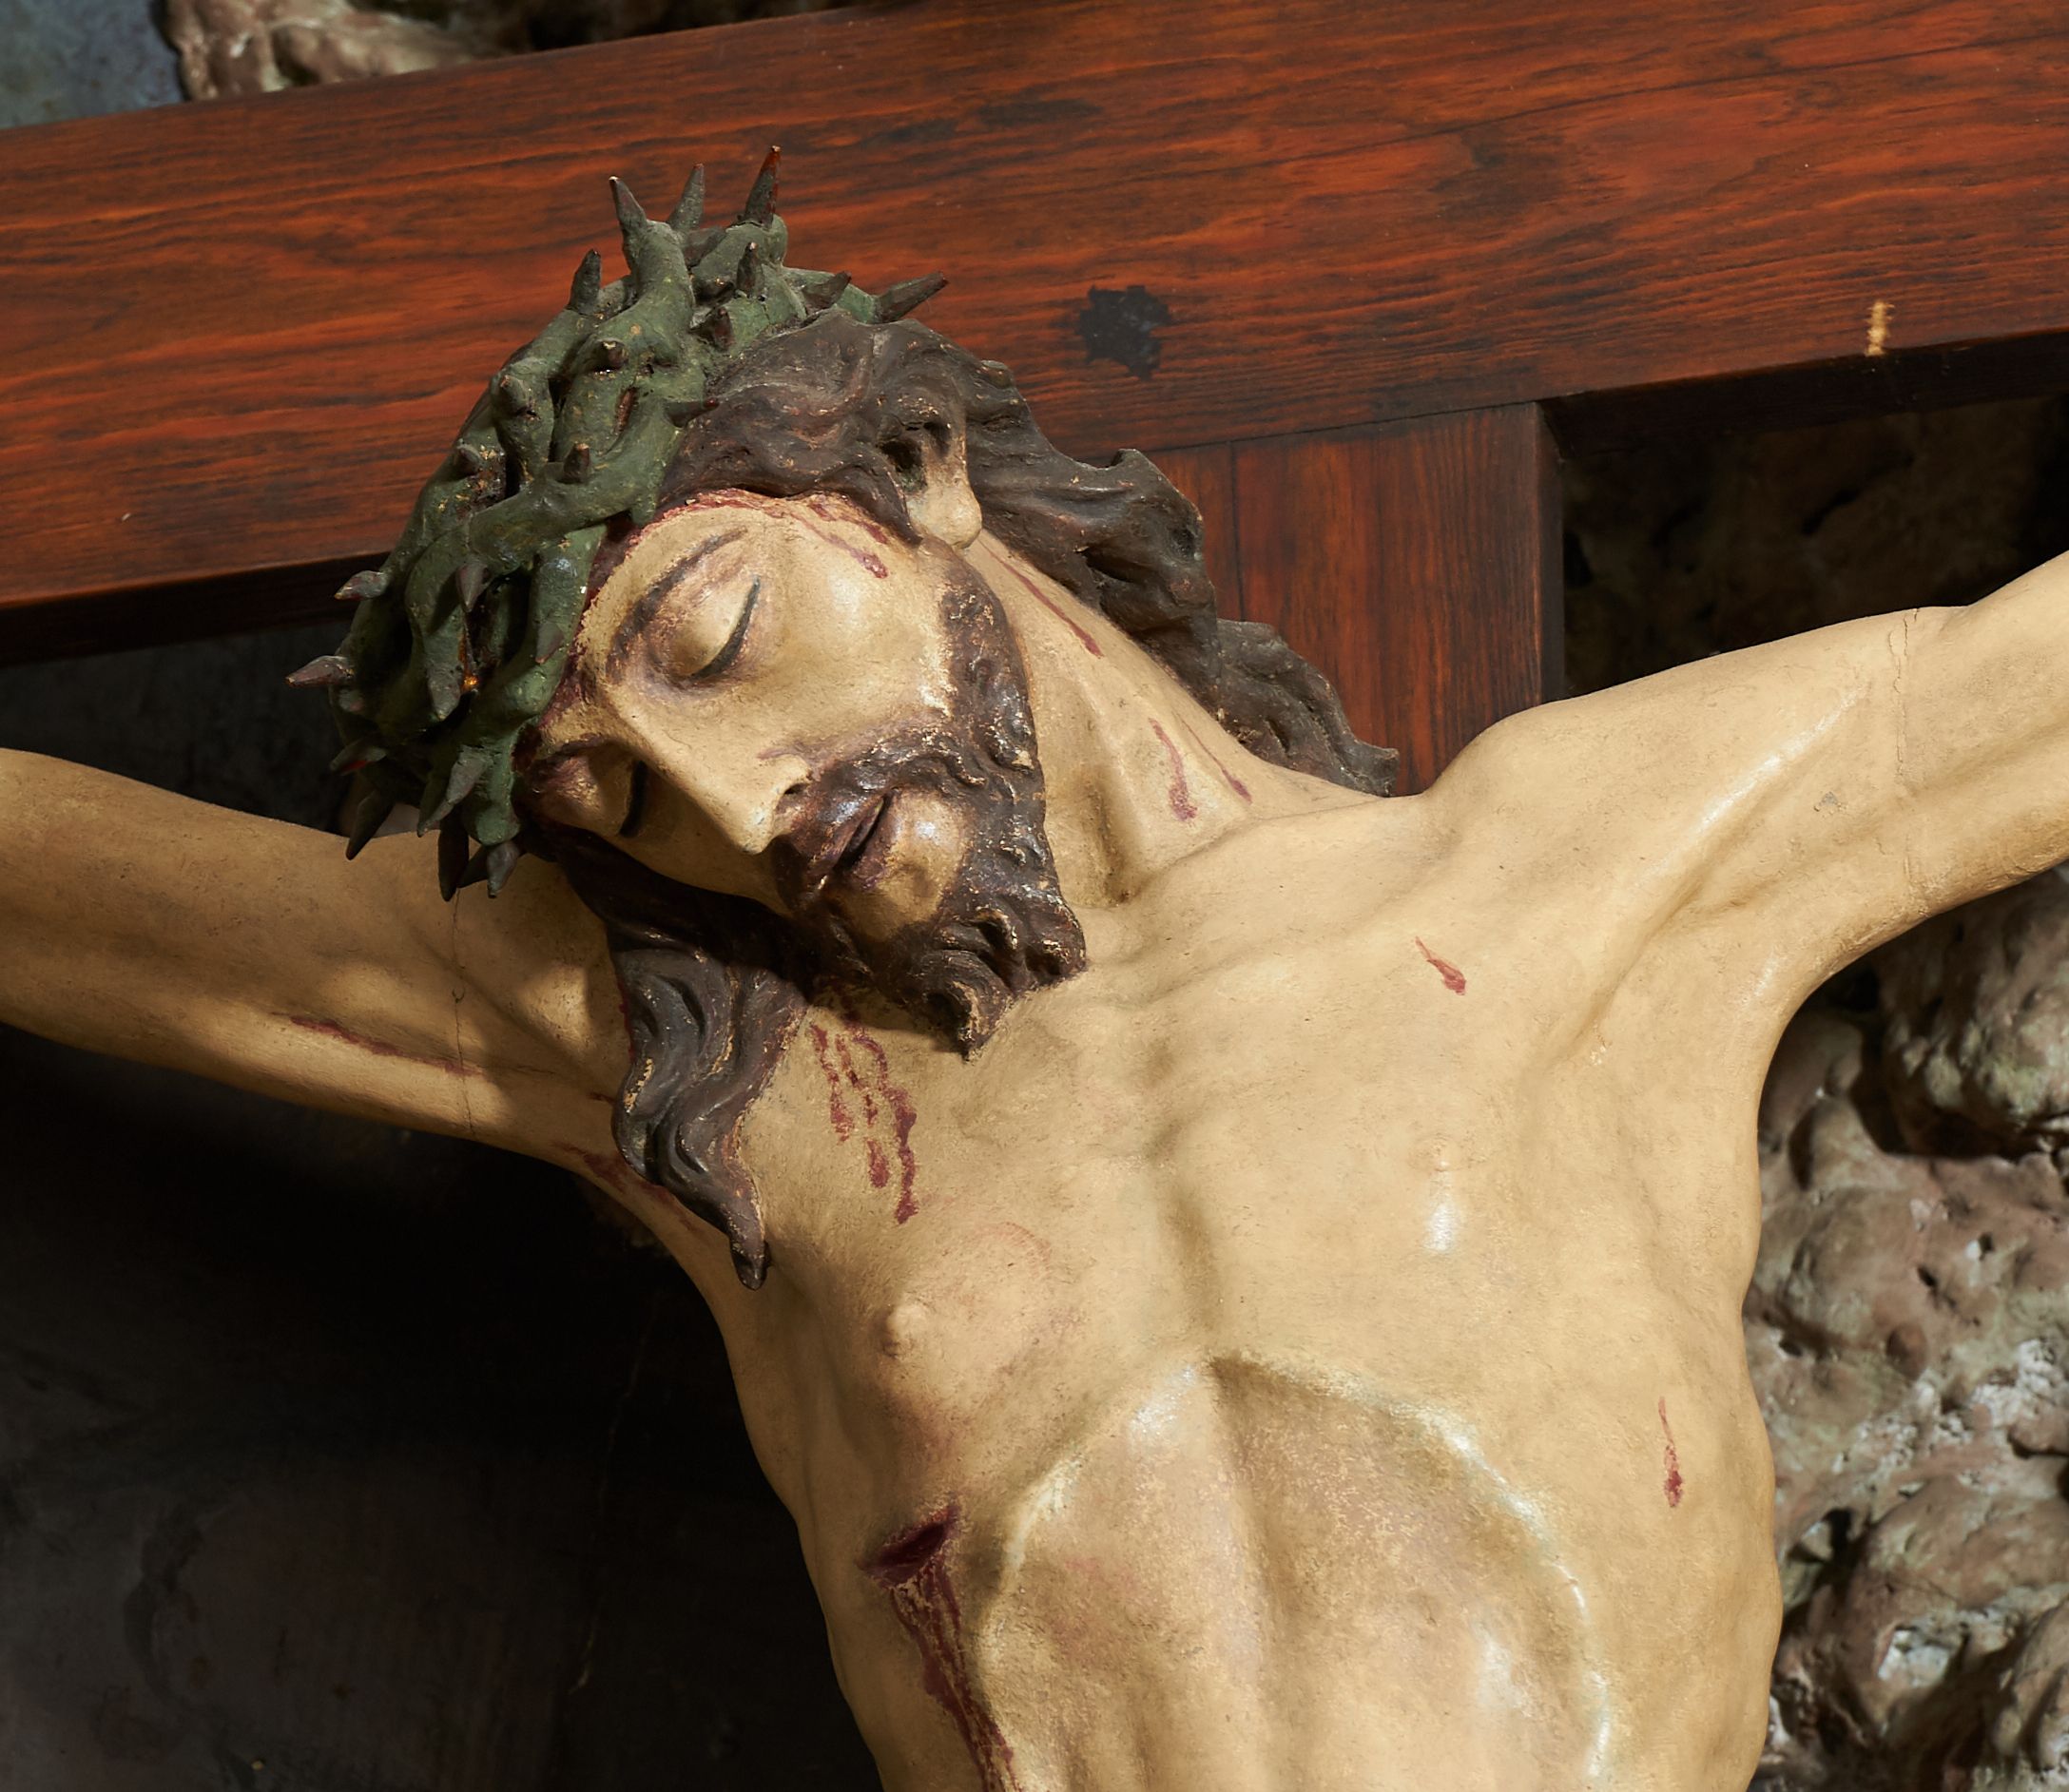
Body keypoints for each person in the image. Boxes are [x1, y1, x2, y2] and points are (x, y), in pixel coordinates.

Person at [6, 157, 2063, 1791]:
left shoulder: (1562, 883)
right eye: (608, 794)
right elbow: (77, 904)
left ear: (918, 477)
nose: (732, 807)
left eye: (719, 640)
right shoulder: (733, 1098)